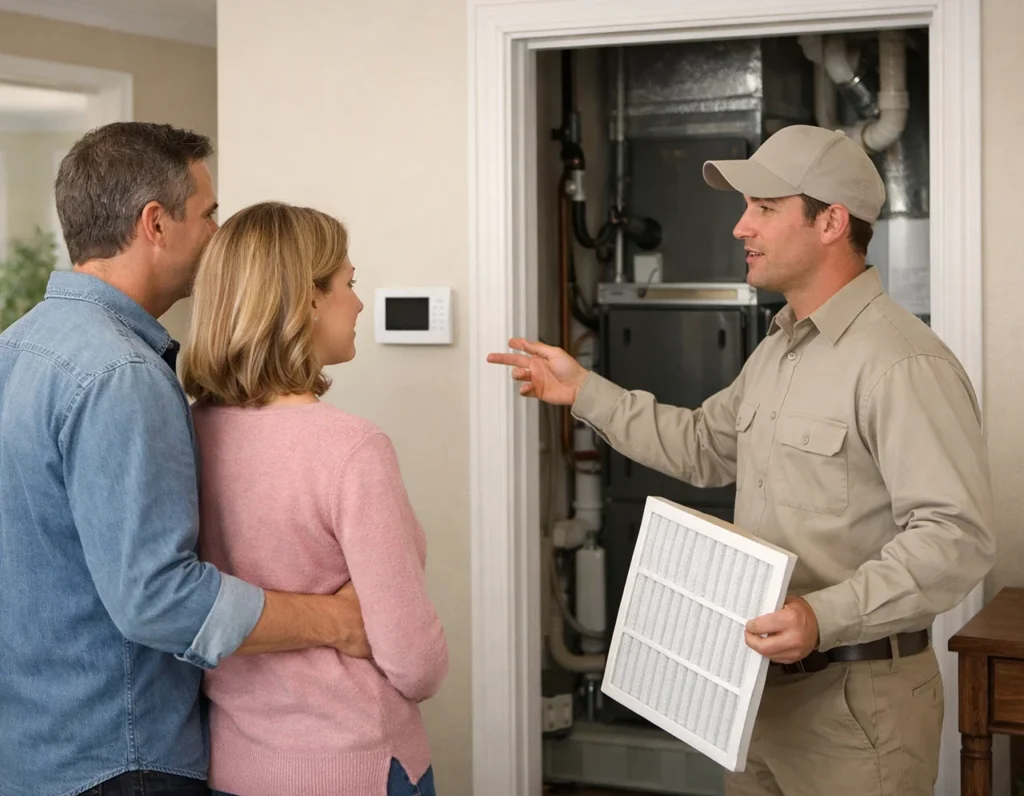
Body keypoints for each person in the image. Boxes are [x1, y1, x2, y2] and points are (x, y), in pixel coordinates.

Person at [488, 124, 996, 795]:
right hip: (757, 700)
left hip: (855, 709)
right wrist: (583, 390)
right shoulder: (779, 348)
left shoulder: (903, 363)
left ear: (831, 222)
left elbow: (956, 539)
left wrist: (824, 616)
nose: (739, 228)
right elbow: (703, 445)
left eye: (764, 207)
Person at [0, 123, 369, 796]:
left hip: (33, 751)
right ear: (155, 224)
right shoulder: (119, 374)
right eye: (209, 215)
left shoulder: (17, 345)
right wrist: (338, 621)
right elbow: (157, 599)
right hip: (120, 759)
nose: (217, 235)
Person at [178, 201, 448, 796]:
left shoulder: (187, 434)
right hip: (359, 769)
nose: (357, 302)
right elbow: (416, 664)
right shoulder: (352, 448)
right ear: (307, 299)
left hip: (232, 769)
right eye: (348, 284)